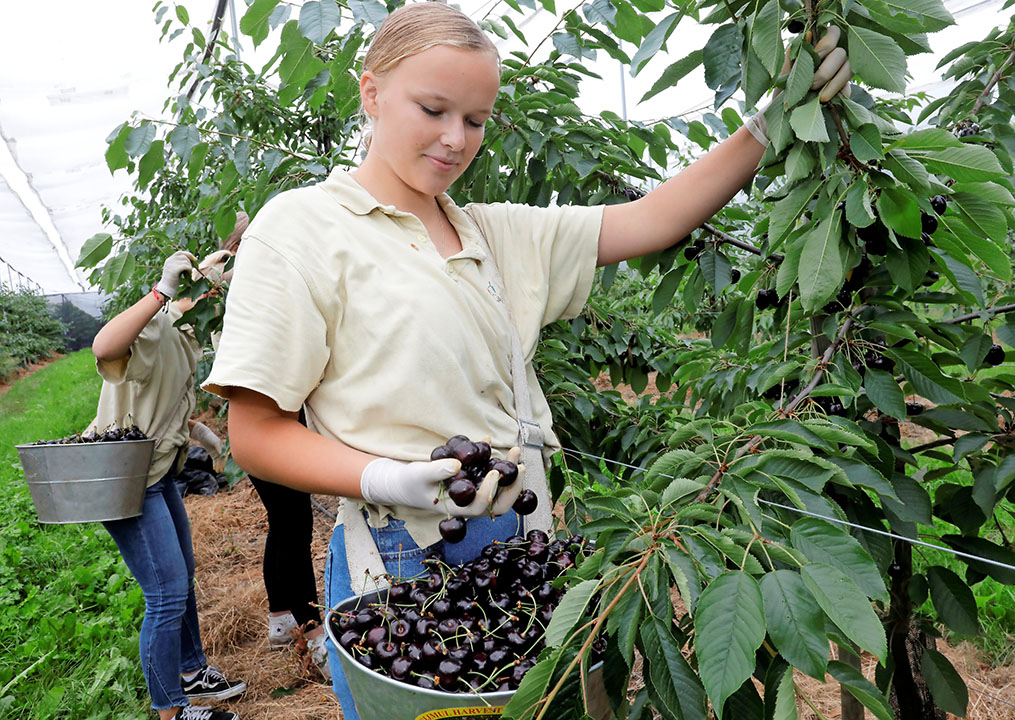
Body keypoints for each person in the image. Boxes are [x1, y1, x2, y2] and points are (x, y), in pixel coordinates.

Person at [202, 4, 854, 716]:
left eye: (476, 120)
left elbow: (655, 217)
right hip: (400, 557)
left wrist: (770, 120)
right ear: (371, 93)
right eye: (433, 109)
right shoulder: (301, 229)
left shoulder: (492, 232)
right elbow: (255, 433)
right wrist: (387, 475)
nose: (456, 139)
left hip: (524, 540)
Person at [91, 250, 246, 720]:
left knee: (183, 576)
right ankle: (171, 711)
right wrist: (162, 290)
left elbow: (168, 404)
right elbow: (103, 347)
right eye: (220, 291)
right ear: (201, 291)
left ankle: (192, 669)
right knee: (165, 593)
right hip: (126, 478)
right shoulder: (157, 324)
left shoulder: (187, 336)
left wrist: (207, 438)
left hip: (159, 473)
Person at [216, 214, 331, 679]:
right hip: (270, 425)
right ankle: (314, 636)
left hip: (262, 423)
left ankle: (282, 620)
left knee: (283, 523)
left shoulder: (241, 288)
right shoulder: (258, 292)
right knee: (294, 525)